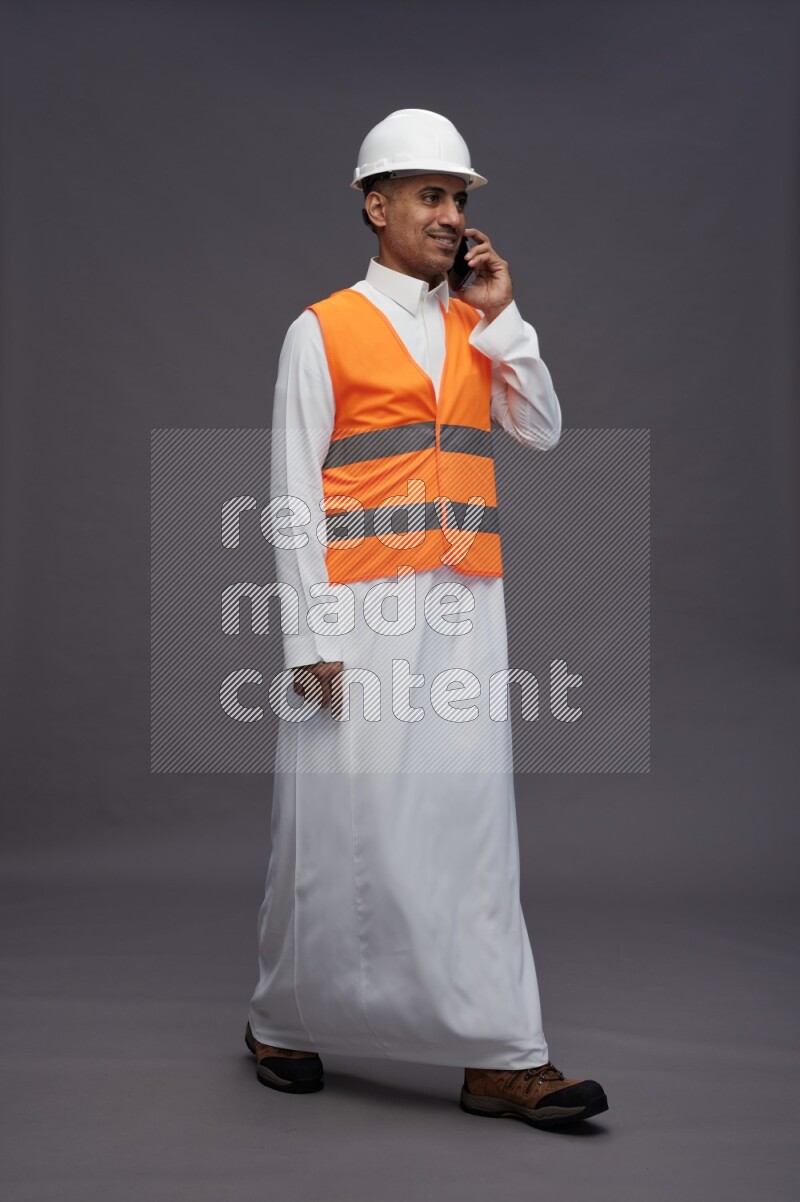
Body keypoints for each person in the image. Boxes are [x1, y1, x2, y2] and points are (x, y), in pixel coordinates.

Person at [245, 109, 608, 1128]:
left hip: (463, 607)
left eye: (460, 200)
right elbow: (288, 492)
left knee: (468, 824)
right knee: (329, 822)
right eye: (431, 196)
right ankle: (281, 1018)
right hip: (357, 613)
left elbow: (537, 428)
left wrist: (503, 316)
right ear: (377, 205)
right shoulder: (320, 329)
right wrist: (307, 639)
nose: (452, 217)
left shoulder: (472, 322)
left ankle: (500, 1053)